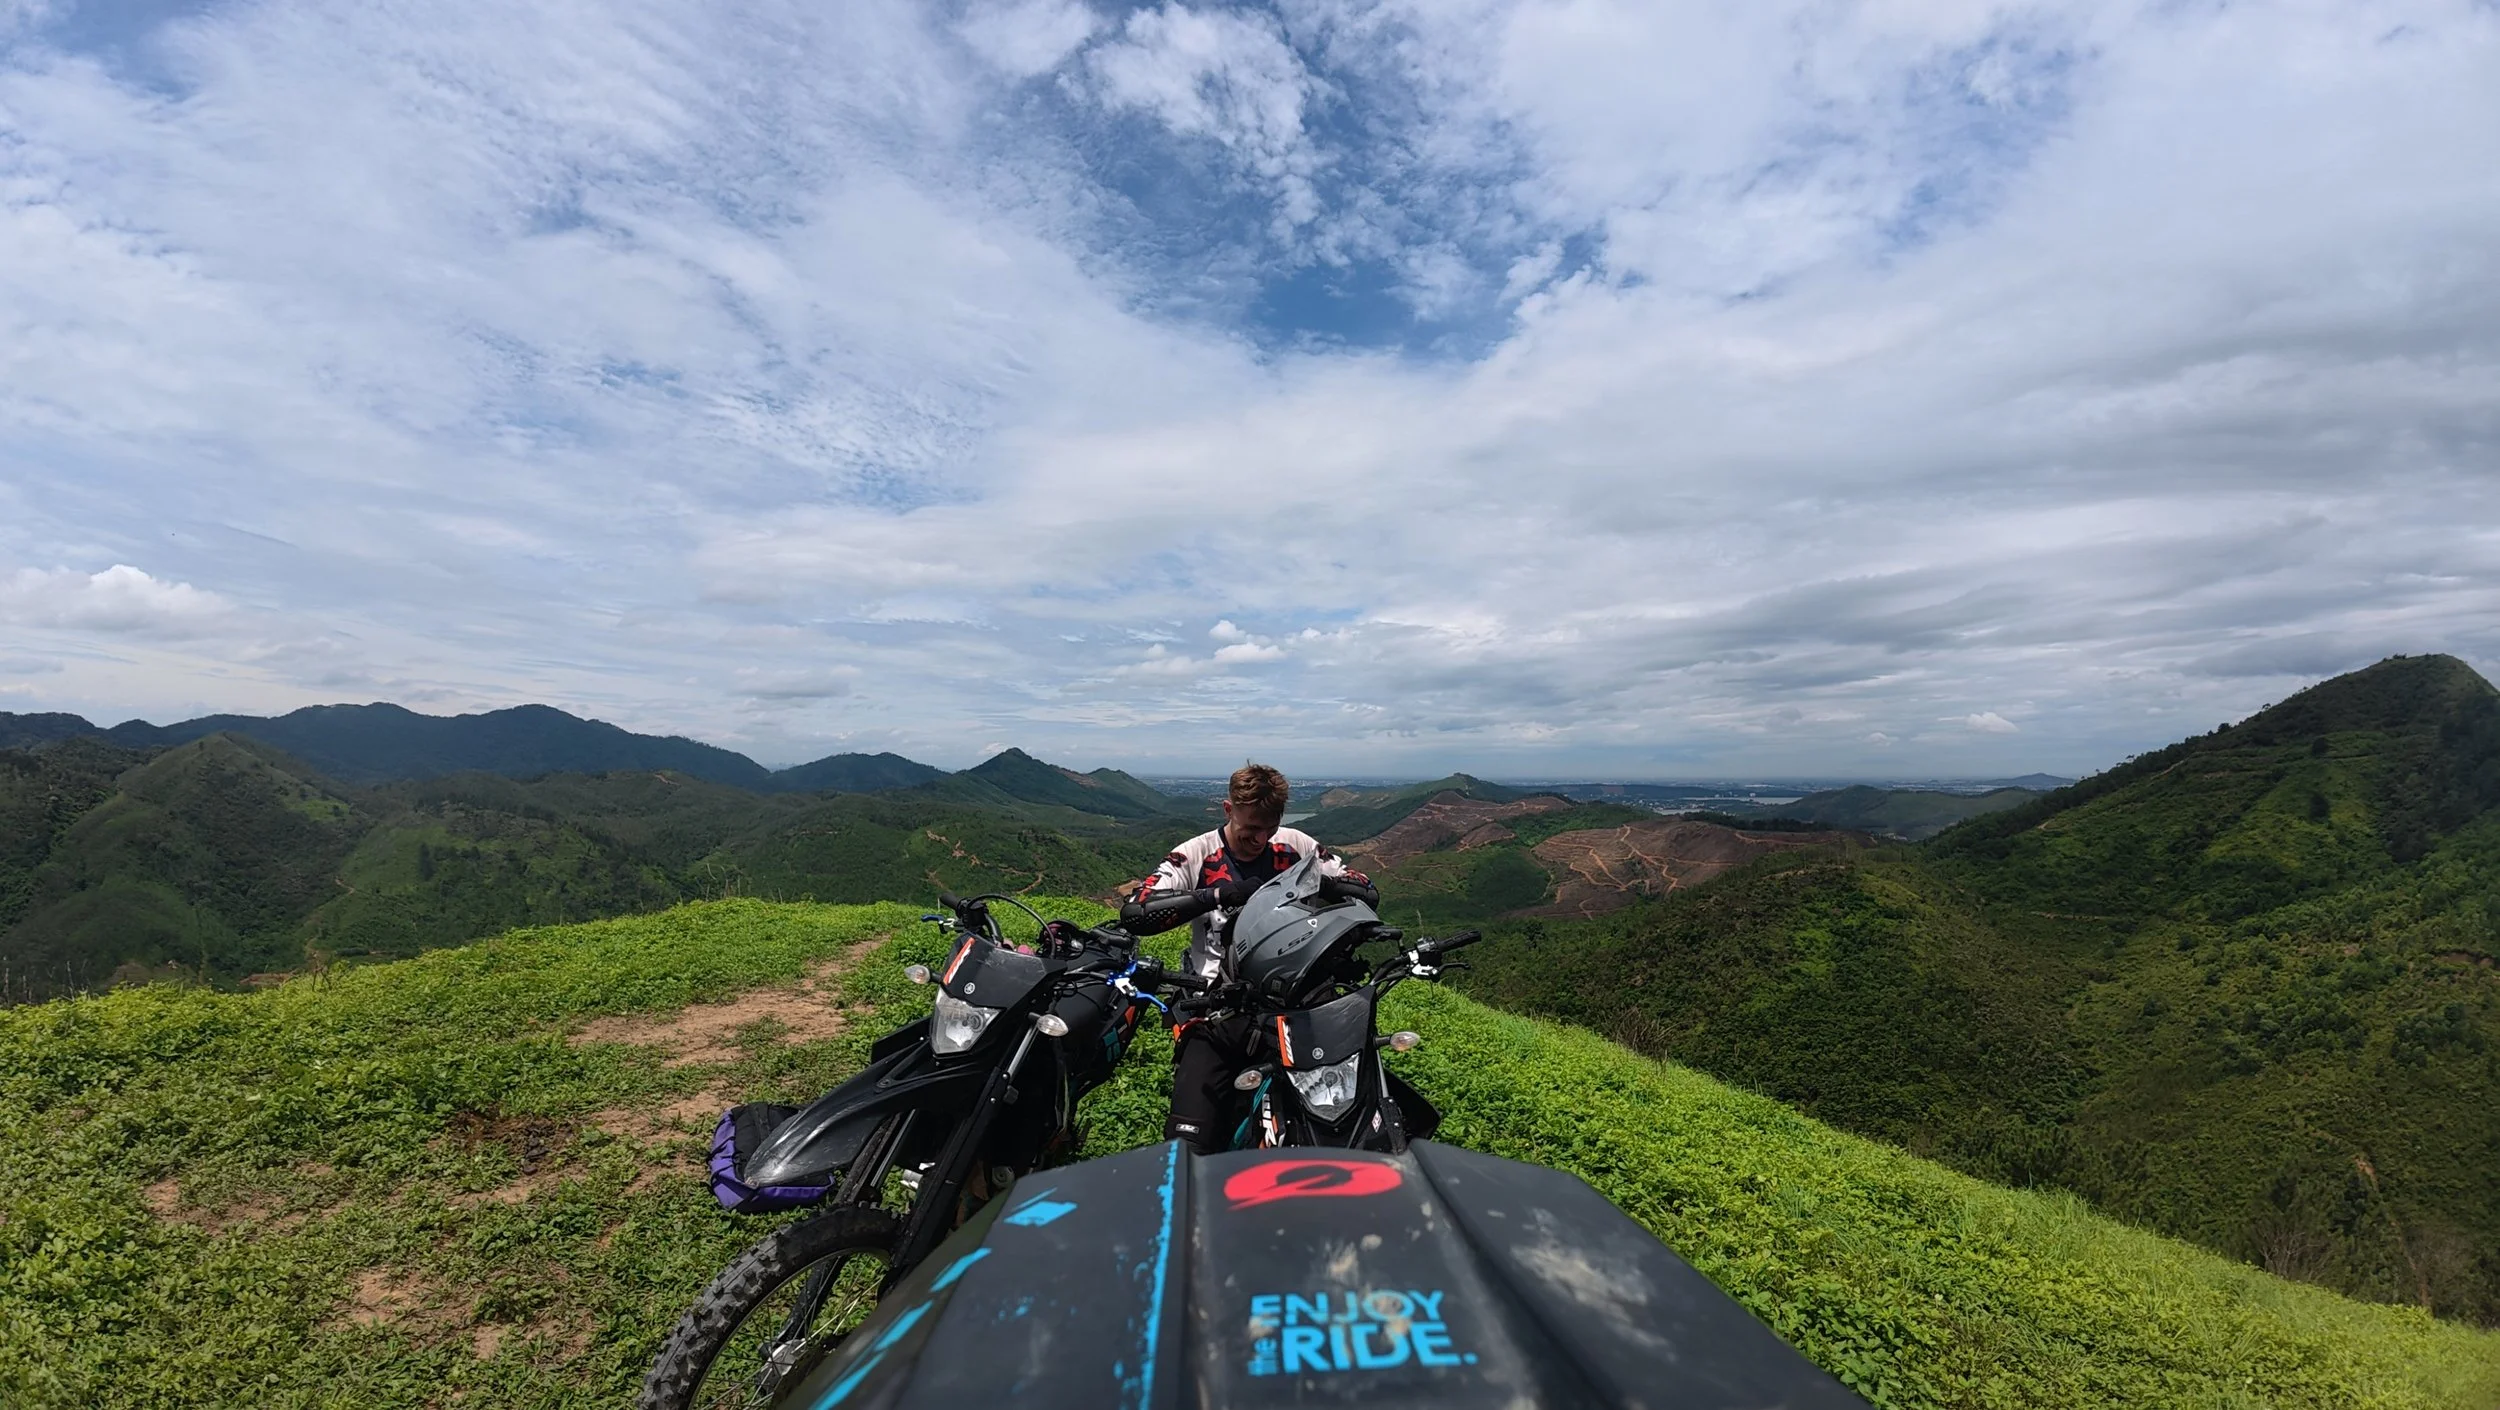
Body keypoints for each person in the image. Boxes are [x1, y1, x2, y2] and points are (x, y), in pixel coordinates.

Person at [1119, 762, 1373, 1154]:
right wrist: (1217, 895)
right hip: (1215, 1010)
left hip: (1294, 1009)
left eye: (1270, 828)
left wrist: (1320, 882)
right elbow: (1137, 912)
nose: (1261, 839)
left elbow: (1366, 891)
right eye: (1251, 828)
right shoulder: (1196, 854)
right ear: (1228, 809)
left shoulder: (1296, 846)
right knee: (1189, 1147)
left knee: (1340, 1124)